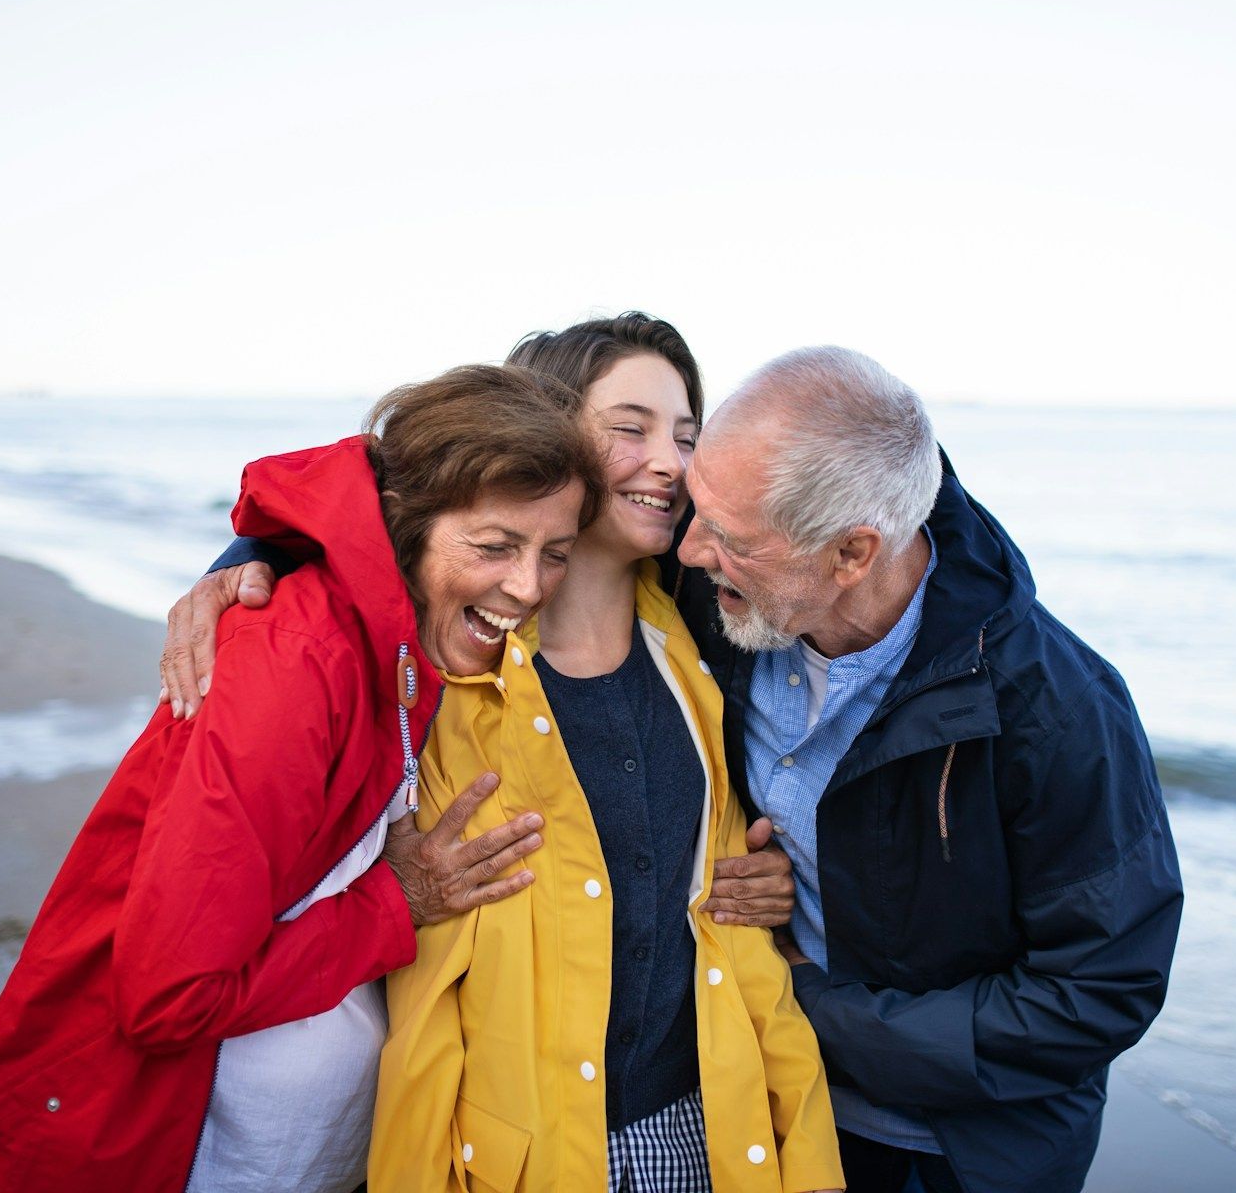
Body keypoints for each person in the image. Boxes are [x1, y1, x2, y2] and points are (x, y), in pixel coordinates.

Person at [175, 343, 1183, 1193]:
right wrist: (254, 557)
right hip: (782, 1101)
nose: (690, 543)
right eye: (692, 498)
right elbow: (449, 489)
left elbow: (1099, 992)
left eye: (727, 534)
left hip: (957, 1150)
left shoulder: (1055, 706)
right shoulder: (724, 603)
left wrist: (810, 999)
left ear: (850, 553)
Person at [0, 364, 603, 1193]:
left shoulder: (400, 646)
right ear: (406, 527)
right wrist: (397, 905)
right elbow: (168, 995)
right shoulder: (298, 664)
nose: (529, 586)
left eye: (557, 555)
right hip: (137, 1143)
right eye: (494, 546)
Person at [194, 315, 843, 1193]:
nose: (672, 461)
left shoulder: (711, 638)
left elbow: (887, 514)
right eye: (631, 428)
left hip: (709, 1131)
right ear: (545, 435)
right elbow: (374, 502)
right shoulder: (438, 668)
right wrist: (250, 553)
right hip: (514, 1153)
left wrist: (784, 891)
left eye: (689, 436)